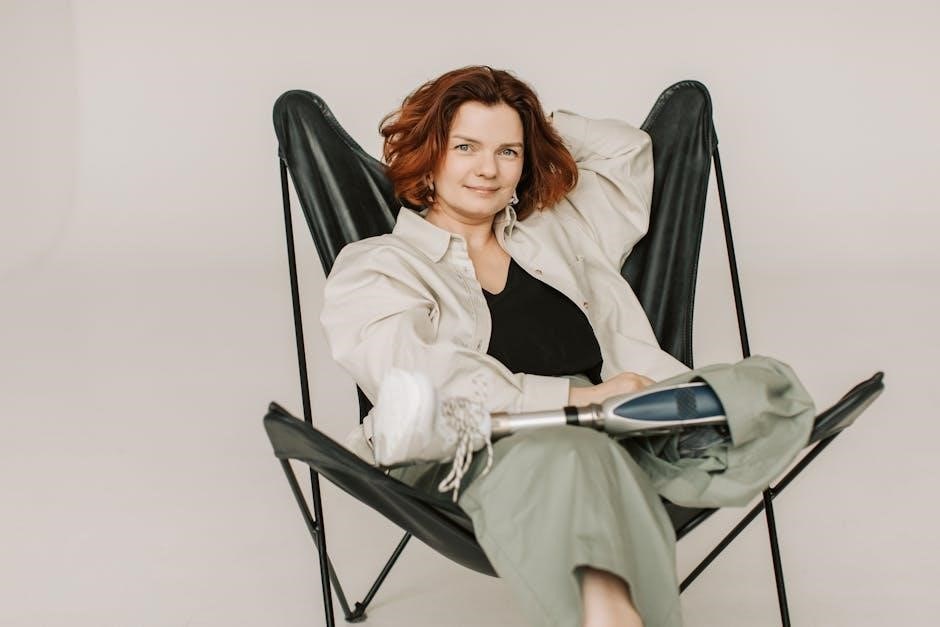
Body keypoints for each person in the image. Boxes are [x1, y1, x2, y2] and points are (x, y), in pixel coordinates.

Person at [321, 65, 693, 627]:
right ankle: (610, 612)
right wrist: (578, 401)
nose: (488, 169)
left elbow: (627, 152)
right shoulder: (380, 265)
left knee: (759, 387)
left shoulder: (559, 229)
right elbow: (420, 386)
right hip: (467, 450)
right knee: (571, 451)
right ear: (429, 153)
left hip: (615, 425)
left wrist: (531, 122)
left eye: (508, 152)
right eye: (465, 147)